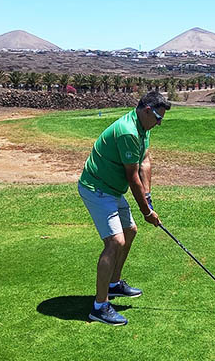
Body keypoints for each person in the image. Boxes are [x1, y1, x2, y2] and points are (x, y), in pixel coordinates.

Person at [77, 91, 171, 326]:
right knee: (115, 241)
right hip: (97, 187)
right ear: (147, 111)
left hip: (112, 189)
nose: (159, 123)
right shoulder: (128, 131)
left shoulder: (143, 129)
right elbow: (132, 177)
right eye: (158, 118)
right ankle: (99, 307)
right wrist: (147, 212)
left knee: (130, 231)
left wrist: (148, 197)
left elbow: (145, 161)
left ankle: (114, 284)